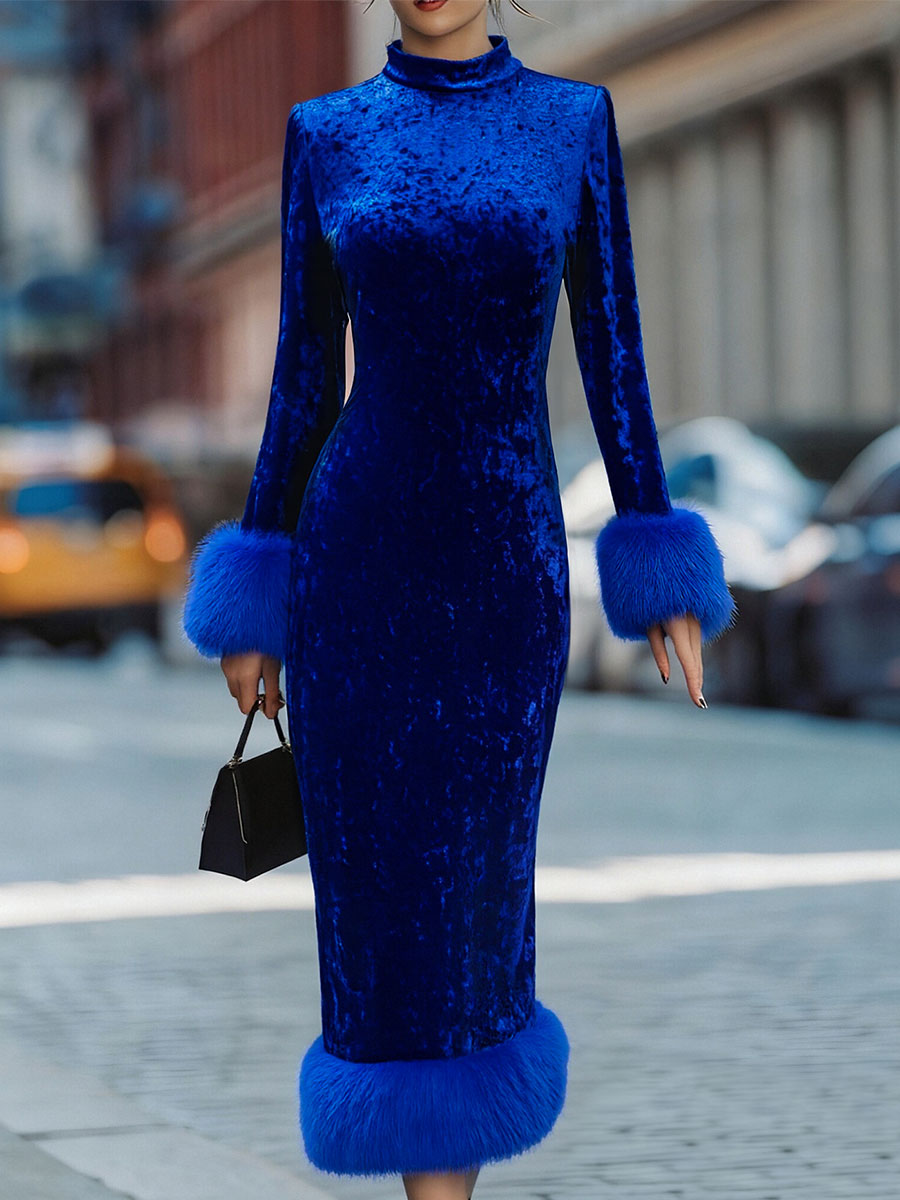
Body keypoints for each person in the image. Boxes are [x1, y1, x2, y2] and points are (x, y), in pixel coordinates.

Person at [181, 1, 736, 1197]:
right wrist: (260, 584)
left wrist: (655, 562)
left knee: (473, 899)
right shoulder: (325, 132)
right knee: (382, 909)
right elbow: (298, 373)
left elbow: (616, 350)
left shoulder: (571, 122)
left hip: (502, 579)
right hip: (355, 568)